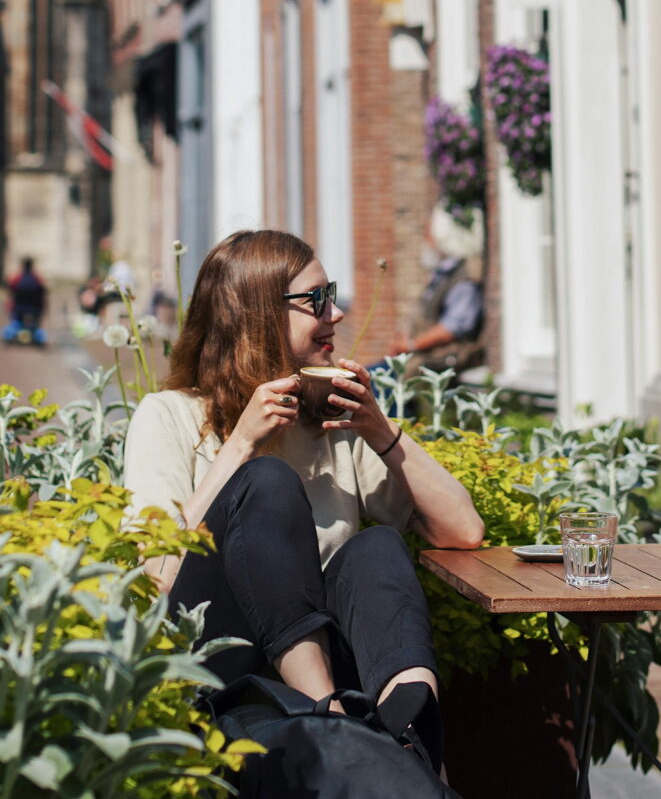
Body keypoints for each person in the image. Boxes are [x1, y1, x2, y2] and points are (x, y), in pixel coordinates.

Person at [123, 229, 484, 773]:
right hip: (222, 661)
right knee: (265, 483)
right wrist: (241, 444)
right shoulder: (168, 414)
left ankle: (414, 748)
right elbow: (159, 575)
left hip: (332, 659)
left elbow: (463, 531)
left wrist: (379, 430)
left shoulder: (332, 424)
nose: (335, 313)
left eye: (331, 293)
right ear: (257, 313)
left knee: (377, 548)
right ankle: (330, 721)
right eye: (316, 299)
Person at [388, 204, 484, 378]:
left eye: (429, 233)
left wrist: (410, 344)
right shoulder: (444, 273)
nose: (427, 239)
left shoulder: (465, 278)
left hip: (440, 361)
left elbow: (453, 328)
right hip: (423, 357)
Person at [2, 256, 47, 345]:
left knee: (15, 323)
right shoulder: (37, 279)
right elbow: (43, 292)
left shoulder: (17, 278)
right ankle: (35, 335)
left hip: (18, 308)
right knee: (35, 325)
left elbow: (10, 289)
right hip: (34, 308)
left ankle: (11, 336)